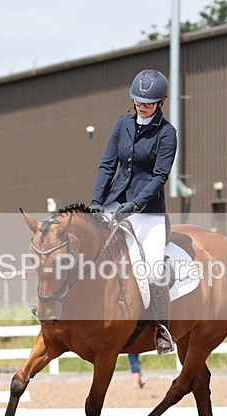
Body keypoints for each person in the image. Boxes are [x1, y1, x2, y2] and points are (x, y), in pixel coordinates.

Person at [89, 69, 177, 355]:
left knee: (151, 269)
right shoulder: (122, 125)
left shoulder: (167, 134)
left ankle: (161, 328)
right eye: (138, 101)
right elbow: (107, 166)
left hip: (147, 211)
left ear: (160, 102)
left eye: (148, 103)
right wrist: (96, 203)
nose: (142, 106)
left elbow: (159, 176)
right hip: (115, 202)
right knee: (84, 246)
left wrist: (137, 204)